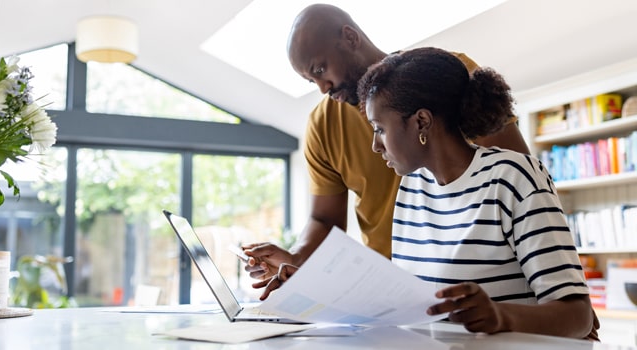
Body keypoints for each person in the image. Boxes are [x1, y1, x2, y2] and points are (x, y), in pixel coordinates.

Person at [255, 47, 599, 340]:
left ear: (421, 122)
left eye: (380, 129)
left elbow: (578, 316)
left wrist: (499, 316)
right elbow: (408, 303)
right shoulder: (412, 189)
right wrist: (314, 288)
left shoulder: (514, 177)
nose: (375, 145)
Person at [242, 3, 530, 281]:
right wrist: (295, 258)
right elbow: (325, 220)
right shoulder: (322, 125)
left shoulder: (445, 77)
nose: (322, 88)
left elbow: (518, 176)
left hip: (475, 273)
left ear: (350, 38)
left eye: (320, 70)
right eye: (310, 81)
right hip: (391, 286)